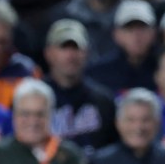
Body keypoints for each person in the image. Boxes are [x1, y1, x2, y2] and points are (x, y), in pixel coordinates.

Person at [42, 19, 116, 155]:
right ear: (48, 53)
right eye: (63, 47)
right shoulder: (35, 99)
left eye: (75, 48)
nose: (70, 56)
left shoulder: (103, 100)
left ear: (86, 53)